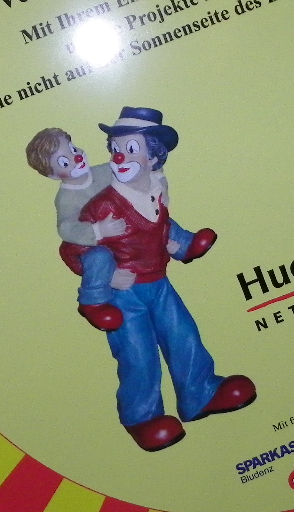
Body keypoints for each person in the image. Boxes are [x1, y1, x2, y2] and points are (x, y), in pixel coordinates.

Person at [78, 107, 255, 452]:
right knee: (138, 354)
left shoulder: (153, 191)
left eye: (130, 148)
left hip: (158, 283)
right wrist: (105, 280)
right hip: (123, 294)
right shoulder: (103, 206)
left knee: (183, 336)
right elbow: (76, 249)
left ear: (154, 156)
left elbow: (159, 226)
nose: (119, 156)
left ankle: (200, 393)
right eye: (115, 148)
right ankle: (142, 417)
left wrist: (180, 245)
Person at [24, 127, 209, 332]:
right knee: (99, 257)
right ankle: (94, 302)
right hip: (102, 245)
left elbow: (140, 169)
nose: (76, 158)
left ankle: (185, 245)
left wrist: (160, 182)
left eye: (73, 149)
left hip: (132, 233)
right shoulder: (66, 198)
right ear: (52, 175)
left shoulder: (105, 171)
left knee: (153, 213)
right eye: (64, 162)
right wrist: (98, 231)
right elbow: (67, 229)